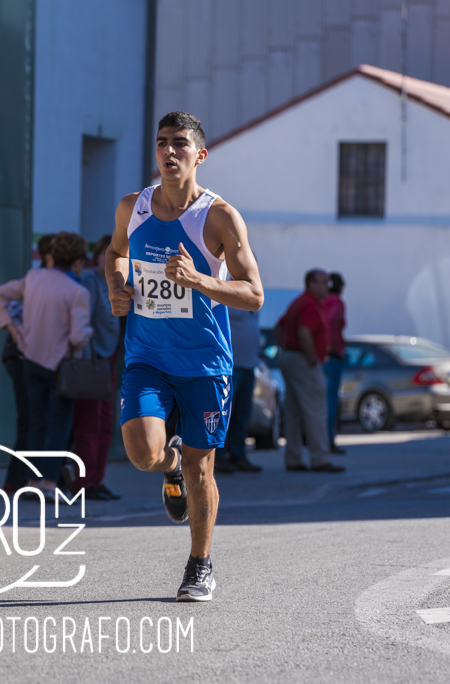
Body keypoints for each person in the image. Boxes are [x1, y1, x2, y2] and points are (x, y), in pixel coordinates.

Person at [106, 111, 264, 602]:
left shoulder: (218, 217)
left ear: (200, 155)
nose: (169, 152)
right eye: (161, 143)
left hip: (204, 364)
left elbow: (254, 293)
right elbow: (114, 252)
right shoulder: (133, 207)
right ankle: (168, 463)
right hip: (148, 357)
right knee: (142, 454)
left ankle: (200, 563)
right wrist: (117, 285)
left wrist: (200, 281)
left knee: (203, 470)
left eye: (179, 144)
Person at [0, 231, 92, 501]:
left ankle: (31, 478)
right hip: (59, 365)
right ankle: (48, 481)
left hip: (30, 358)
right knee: (59, 423)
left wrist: (12, 328)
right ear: (77, 261)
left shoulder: (33, 279)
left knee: (36, 421)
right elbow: (78, 337)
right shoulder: (77, 291)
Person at [274, 269, 345, 474]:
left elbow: (279, 327)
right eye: (323, 282)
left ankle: (293, 457)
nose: (327, 287)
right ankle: (319, 458)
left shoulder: (299, 302)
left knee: (294, 411)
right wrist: (312, 359)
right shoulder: (309, 304)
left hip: (291, 357)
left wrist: (286, 348)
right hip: (303, 360)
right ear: (311, 283)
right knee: (316, 410)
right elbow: (304, 332)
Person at [1, 233, 55, 493]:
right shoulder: (33, 280)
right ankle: (16, 479)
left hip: (34, 357)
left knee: (35, 418)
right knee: (30, 418)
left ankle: (23, 477)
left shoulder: (54, 281)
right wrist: (13, 331)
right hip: (21, 356)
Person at [70, 234, 123, 500]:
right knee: (89, 424)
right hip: (93, 362)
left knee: (105, 423)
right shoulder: (90, 281)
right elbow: (83, 323)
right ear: (98, 255)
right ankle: (84, 481)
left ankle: (97, 479)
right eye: (107, 253)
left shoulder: (117, 283)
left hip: (110, 360)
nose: (111, 258)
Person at [216, 305, 263, 473]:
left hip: (249, 365)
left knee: (242, 414)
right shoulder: (225, 289)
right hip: (230, 366)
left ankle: (238, 455)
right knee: (224, 414)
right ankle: (218, 456)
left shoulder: (251, 294)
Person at [322, 273, 347, 453]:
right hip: (332, 356)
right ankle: (328, 440)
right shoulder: (337, 302)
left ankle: (321, 439)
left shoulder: (322, 301)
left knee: (321, 402)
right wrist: (331, 348)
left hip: (322, 356)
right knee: (331, 402)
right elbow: (331, 321)